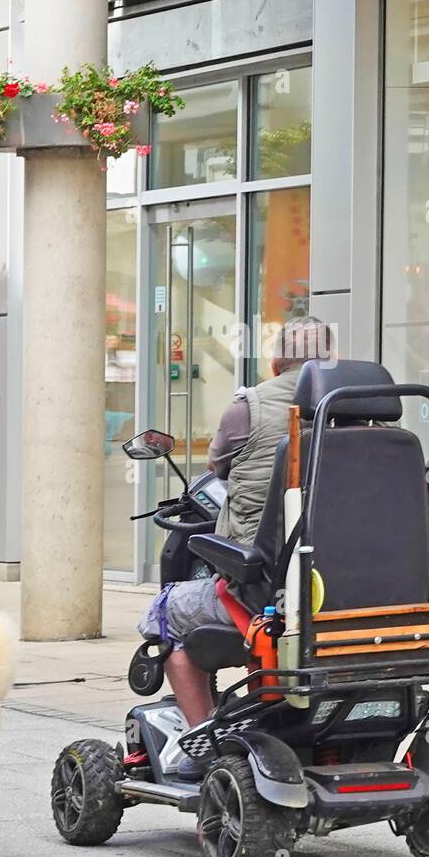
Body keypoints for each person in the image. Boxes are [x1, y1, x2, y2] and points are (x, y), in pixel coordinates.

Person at [138, 316, 335, 773]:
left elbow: (219, 465)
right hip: (359, 592)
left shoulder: (250, 408)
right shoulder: (366, 414)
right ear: (332, 362)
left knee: (165, 613)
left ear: (274, 362)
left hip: (274, 589)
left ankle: (203, 739)